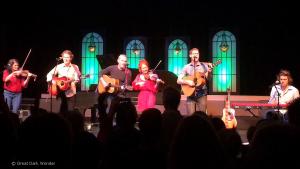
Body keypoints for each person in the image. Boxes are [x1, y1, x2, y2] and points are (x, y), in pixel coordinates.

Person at [177, 48, 212, 115]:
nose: (196, 55)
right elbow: (178, 80)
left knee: (203, 117)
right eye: (194, 53)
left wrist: (209, 73)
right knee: (191, 117)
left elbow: (209, 79)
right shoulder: (186, 67)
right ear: (190, 55)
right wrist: (188, 82)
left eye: (197, 53)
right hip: (190, 94)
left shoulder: (204, 66)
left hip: (202, 94)